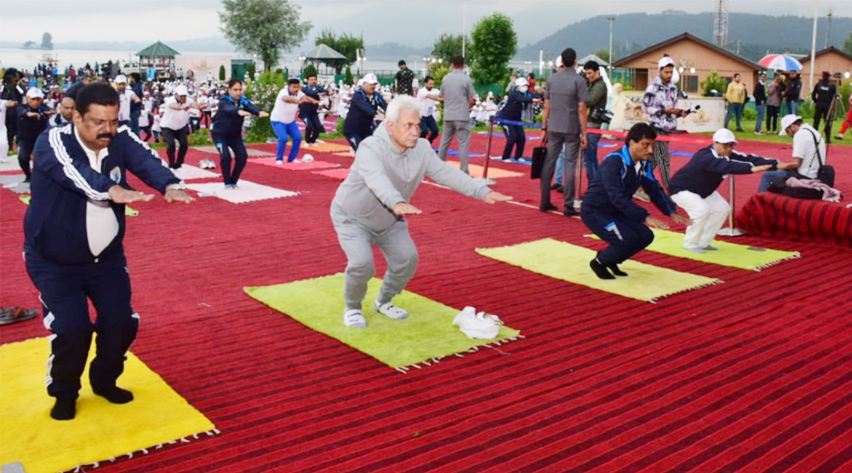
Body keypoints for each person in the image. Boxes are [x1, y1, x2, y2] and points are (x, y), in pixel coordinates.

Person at [24, 83, 195, 420]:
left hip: (106, 259)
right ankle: (64, 391)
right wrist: (112, 190)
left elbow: (146, 160)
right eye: (98, 122)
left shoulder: (121, 137)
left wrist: (170, 184)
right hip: (54, 261)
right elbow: (77, 175)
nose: (107, 130)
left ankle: (104, 381)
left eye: (113, 121)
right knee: (73, 329)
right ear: (76, 115)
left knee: (120, 322)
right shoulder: (53, 141)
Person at [330, 96, 511, 328]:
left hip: (390, 220)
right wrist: (396, 201)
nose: (416, 131)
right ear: (390, 126)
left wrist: (480, 191)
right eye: (408, 125)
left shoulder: (422, 149)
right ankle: (353, 306)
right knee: (362, 263)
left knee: (407, 259)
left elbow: (446, 173)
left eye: (417, 125)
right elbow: (377, 179)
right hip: (352, 218)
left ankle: (383, 301)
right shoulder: (370, 148)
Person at [580, 123, 691, 280]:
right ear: (632, 142)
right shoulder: (614, 162)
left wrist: (671, 212)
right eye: (646, 145)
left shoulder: (644, 164)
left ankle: (611, 259)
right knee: (627, 238)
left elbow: (655, 189)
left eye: (652, 145)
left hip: (616, 211)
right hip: (595, 211)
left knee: (645, 235)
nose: (651, 150)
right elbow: (617, 196)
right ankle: (599, 262)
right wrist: (644, 216)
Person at [668, 129, 777, 253]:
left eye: (731, 145)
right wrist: (751, 169)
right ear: (715, 143)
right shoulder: (706, 156)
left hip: (702, 191)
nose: (728, 149)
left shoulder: (727, 154)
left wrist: (775, 164)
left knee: (722, 209)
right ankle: (690, 243)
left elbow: (748, 158)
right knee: (701, 210)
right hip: (681, 189)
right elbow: (728, 166)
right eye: (725, 145)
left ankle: (704, 242)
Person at [540, 48, 589, 216]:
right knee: (569, 164)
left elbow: (546, 105)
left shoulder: (552, 79)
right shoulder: (579, 81)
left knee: (549, 163)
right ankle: (568, 205)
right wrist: (585, 132)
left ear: (561, 62)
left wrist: (544, 127)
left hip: (553, 126)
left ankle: (544, 201)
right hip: (572, 128)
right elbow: (582, 108)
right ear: (575, 61)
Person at [211, 79, 269, 188]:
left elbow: (251, 107)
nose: (238, 92)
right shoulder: (224, 101)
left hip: (235, 135)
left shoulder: (243, 101)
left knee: (242, 156)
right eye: (235, 90)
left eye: (240, 90)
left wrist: (259, 112)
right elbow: (228, 108)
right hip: (220, 135)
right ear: (229, 90)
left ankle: (234, 181)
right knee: (226, 156)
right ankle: (227, 183)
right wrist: (238, 111)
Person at [642, 56, 689, 190]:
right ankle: (670, 190)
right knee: (664, 160)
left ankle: (638, 185)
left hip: (669, 128)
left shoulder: (674, 88)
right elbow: (645, 108)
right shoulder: (652, 88)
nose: (669, 75)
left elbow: (672, 108)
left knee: (654, 160)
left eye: (671, 72)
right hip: (656, 127)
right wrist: (663, 111)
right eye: (666, 72)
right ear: (660, 71)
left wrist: (680, 112)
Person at [757, 114, 827, 192]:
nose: (789, 135)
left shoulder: (800, 134)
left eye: (787, 131)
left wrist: (778, 165)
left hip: (805, 176)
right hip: (817, 174)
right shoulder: (814, 131)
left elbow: (796, 163)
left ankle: (759, 201)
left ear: (793, 126)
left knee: (767, 175)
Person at [438, 56, 477, 175]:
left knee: (444, 142)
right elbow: (471, 98)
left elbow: (442, 96)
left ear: (452, 65)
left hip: (448, 114)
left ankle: (439, 167)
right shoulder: (466, 79)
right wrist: (468, 107)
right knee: (463, 143)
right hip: (461, 115)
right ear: (463, 65)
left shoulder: (446, 78)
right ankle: (464, 170)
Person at [270, 78, 314, 164]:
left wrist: (315, 101)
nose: (296, 89)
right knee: (283, 138)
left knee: (298, 138)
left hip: (290, 121)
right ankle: (279, 158)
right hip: (278, 120)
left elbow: (306, 97)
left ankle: (292, 158)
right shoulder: (283, 92)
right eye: (294, 87)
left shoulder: (299, 93)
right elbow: (287, 99)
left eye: (298, 87)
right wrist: (298, 101)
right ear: (289, 86)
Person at [17, 88, 54, 182]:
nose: (36, 102)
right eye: (33, 99)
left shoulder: (43, 107)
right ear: (28, 98)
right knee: (23, 157)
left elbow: (49, 110)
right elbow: (22, 112)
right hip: (25, 139)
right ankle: (28, 175)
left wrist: (49, 112)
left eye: (38, 99)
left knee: (40, 159)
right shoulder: (22, 107)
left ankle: (38, 176)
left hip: (40, 138)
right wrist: (27, 114)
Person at [497, 78, 538, 162]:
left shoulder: (526, 95)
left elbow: (529, 98)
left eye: (526, 86)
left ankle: (518, 156)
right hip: (506, 119)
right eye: (523, 86)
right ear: (517, 86)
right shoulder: (513, 94)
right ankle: (506, 156)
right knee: (512, 137)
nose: (525, 87)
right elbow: (522, 99)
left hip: (517, 119)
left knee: (521, 137)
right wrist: (532, 100)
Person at [343, 73, 387, 152]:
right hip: (353, 130)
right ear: (364, 84)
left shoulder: (376, 96)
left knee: (371, 150)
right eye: (370, 84)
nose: (373, 86)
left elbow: (385, 106)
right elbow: (365, 107)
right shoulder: (358, 95)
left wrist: (390, 114)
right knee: (361, 151)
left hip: (366, 129)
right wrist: (376, 115)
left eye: (374, 84)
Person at [159, 85, 198, 169]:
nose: (183, 98)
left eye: (184, 96)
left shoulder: (188, 100)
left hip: (180, 126)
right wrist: (181, 107)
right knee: (171, 144)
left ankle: (179, 162)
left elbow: (194, 104)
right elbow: (174, 106)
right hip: (167, 126)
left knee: (184, 145)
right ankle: (171, 162)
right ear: (176, 94)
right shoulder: (170, 100)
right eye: (181, 96)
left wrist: (199, 106)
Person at [583, 60, 608, 183]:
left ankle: (594, 186)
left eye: (590, 74)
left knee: (589, 159)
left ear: (597, 72)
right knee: (591, 158)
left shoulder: (600, 85)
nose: (588, 76)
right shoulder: (593, 84)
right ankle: (597, 184)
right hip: (591, 124)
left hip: (593, 125)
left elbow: (589, 100)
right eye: (586, 74)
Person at [300, 74, 328, 147]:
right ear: (308, 81)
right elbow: (310, 93)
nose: (313, 81)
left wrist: (321, 92)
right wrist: (318, 93)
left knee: (318, 126)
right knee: (309, 126)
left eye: (314, 79)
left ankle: (312, 141)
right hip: (305, 112)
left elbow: (326, 92)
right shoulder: (304, 89)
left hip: (313, 112)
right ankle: (307, 141)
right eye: (311, 80)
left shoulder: (318, 88)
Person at [1, 68, 24, 151]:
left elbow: (22, 96)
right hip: (6, 112)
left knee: (17, 129)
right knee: (7, 130)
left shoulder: (18, 87)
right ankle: (8, 146)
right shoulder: (3, 87)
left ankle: (17, 146)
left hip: (16, 111)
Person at [416, 76, 442, 144]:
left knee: (435, 131)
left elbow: (441, 94)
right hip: (421, 115)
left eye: (432, 84)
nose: (431, 85)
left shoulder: (435, 91)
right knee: (424, 131)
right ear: (425, 83)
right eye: (430, 84)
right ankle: (420, 144)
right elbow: (430, 96)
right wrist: (440, 99)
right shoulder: (422, 91)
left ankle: (428, 143)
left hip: (429, 115)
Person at [811, 71, 837, 135]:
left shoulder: (819, 84)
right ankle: (828, 137)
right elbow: (835, 96)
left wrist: (815, 100)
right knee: (827, 121)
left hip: (820, 104)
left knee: (817, 120)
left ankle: (815, 134)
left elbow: (813, 94)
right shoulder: (832, 85)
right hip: (827, 104)